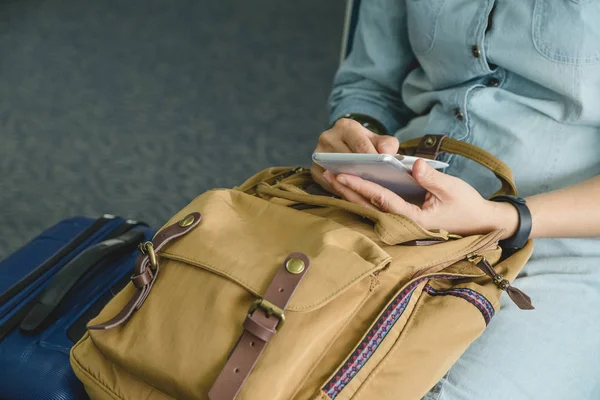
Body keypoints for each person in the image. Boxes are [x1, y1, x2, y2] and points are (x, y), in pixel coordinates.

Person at [311, 1, 600, 399]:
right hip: (396, 214)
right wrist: (358, 141)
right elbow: (370, 86)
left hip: (554, 252)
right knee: (242, 341)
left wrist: (500, 217)